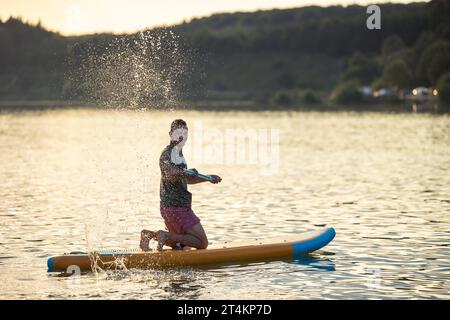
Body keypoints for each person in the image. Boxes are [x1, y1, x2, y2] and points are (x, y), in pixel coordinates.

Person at [140, 119, 221, 251]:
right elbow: (170, 173)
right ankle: (164, 235)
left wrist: (207, 178)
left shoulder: (178, 153)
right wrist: (185, 173)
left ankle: (149, 235)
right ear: (170, 134)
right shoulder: (167, 154)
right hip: (178, 208)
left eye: (184, 132)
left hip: (169, 208)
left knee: (179, 244)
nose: (182, 136)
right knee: (202, 243)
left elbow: (185, 179)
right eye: (178, 132)